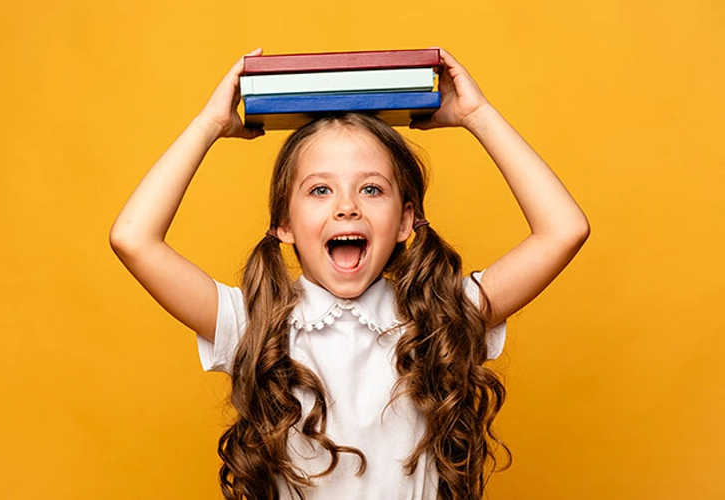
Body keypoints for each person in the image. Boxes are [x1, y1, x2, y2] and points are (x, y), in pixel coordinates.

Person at [109, 47, 590, 500]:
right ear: (284, 223)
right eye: (320, 190)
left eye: (371, 190)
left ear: (405, 221)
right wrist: (211, 123)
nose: (346, 207)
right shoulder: (255, 325)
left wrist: (477, 116)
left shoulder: (438, 319)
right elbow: (134, 238)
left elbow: (563, 229)